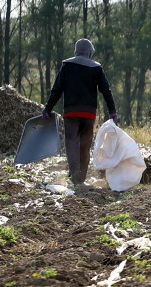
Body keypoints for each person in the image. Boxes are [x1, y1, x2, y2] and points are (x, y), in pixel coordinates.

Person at [42, 38, 118, 185]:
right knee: (85, 143)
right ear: (89, 52)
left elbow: (56, 89)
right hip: (89, 113)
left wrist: (48, 109)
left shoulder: (67, 66)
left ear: (76, 51)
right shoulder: (96, 68)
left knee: (71, 141)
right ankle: (81, 177)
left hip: (71, 111)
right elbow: (106, 90)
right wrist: (112, 111)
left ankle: (75, 171)